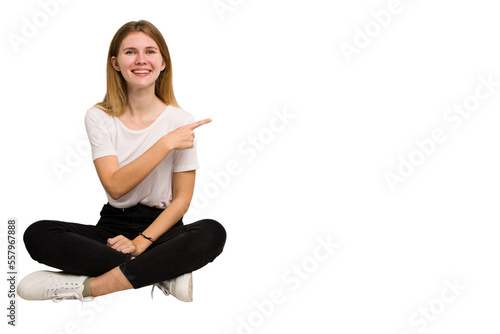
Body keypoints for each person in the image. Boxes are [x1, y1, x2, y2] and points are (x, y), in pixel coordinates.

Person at [17, 20, 227, 303]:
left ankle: (89, 287)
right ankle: (163, 270)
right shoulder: (99, 116)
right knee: (38, 233)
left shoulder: (181, 121)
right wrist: (165, 143)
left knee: (212, 232)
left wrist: (142, 242)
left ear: (163, 62)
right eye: (130, 52)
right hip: (112, 227)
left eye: (150, 52)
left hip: (162, 231)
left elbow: (181, 202)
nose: (141, 60)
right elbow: (115, 187)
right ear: (115, 63)